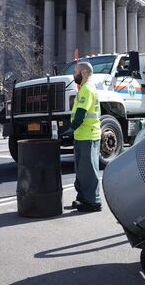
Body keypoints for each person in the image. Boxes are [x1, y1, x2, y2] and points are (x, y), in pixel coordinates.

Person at [61, 61, 102, 212]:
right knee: (83, 171)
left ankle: (93, 202)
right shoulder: (85, 88)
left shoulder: (87, 89)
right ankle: (83, 199)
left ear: (83, 73)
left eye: (75, 72)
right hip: (83, 135)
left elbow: (80, 115)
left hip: (87, 136)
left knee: (88, 171)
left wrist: (71, 129)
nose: (73, 75)